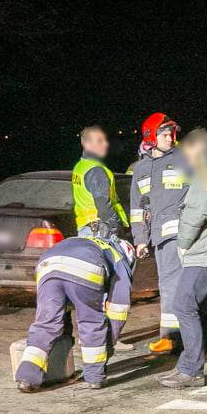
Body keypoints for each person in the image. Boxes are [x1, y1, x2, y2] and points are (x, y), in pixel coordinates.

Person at [15, 236, 135, 392]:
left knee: (45, 324)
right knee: (91, 322)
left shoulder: (88, 241)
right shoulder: (120, 258)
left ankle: (27, 377)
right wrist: (107, 346)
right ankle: (94, 378)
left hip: (47, 266)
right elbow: (118, 312)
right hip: (85, 267)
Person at [157, 131, 207, 388]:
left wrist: (183, 245)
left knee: (183, 306)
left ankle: (191, 370)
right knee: (199, 309)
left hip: (205, 254)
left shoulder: (204, 174)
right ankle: (190, 365)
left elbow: (195, 213)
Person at [129, 113, 190, 353]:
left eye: (172, 134)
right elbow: (138, 208)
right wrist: (140, 239)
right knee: (171, 284)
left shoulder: (184, 160)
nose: (170, 138)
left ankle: (172, 338)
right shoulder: (141, 169)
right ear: (150, 136)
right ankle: (181, 337)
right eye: (165, 134)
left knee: (172, 284)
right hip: (159, 239)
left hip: (182, 235)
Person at [71, 125, 134, 351]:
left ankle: (87, 335)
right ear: (86, 144)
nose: (105, 144)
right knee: (113, 285)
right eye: (99, 141)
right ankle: (108, 338)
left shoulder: (80, 167)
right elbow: (103, 203)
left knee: (91, 286)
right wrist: (116, 227)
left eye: (105, 140)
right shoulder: (97, 170)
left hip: (87, 230)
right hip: (102, 232)